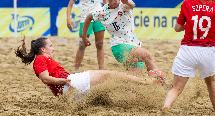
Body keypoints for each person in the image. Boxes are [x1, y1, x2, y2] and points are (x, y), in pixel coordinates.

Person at [82, 0, 165, 83]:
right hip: (119, 47)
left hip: (132, 44)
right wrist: (84, 36)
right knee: (147, 55)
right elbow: (89, 17)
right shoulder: (102, 12)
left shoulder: (123, 5)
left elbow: (132, 5)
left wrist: (127, 2)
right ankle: (161, 81)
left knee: (136, 81)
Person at [15, 37, 154, 97]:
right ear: (43, 50)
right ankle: (147, 83)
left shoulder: (43, 59)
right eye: (50, 45)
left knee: (109, 86)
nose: (53, 48)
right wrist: (63, 81)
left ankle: (140, 93)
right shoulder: (39, 59)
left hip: (69, 87)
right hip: (69, 84)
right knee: (109, 75)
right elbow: (45, 78)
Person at [66, 0, 106, 70]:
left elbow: (105, 0)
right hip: (85, 18)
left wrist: (108, 13)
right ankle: (75, 70)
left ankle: (101, 70)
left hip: (99, 16)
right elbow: (70, 4)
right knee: (82, 44)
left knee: (100, 44)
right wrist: (68, 18)